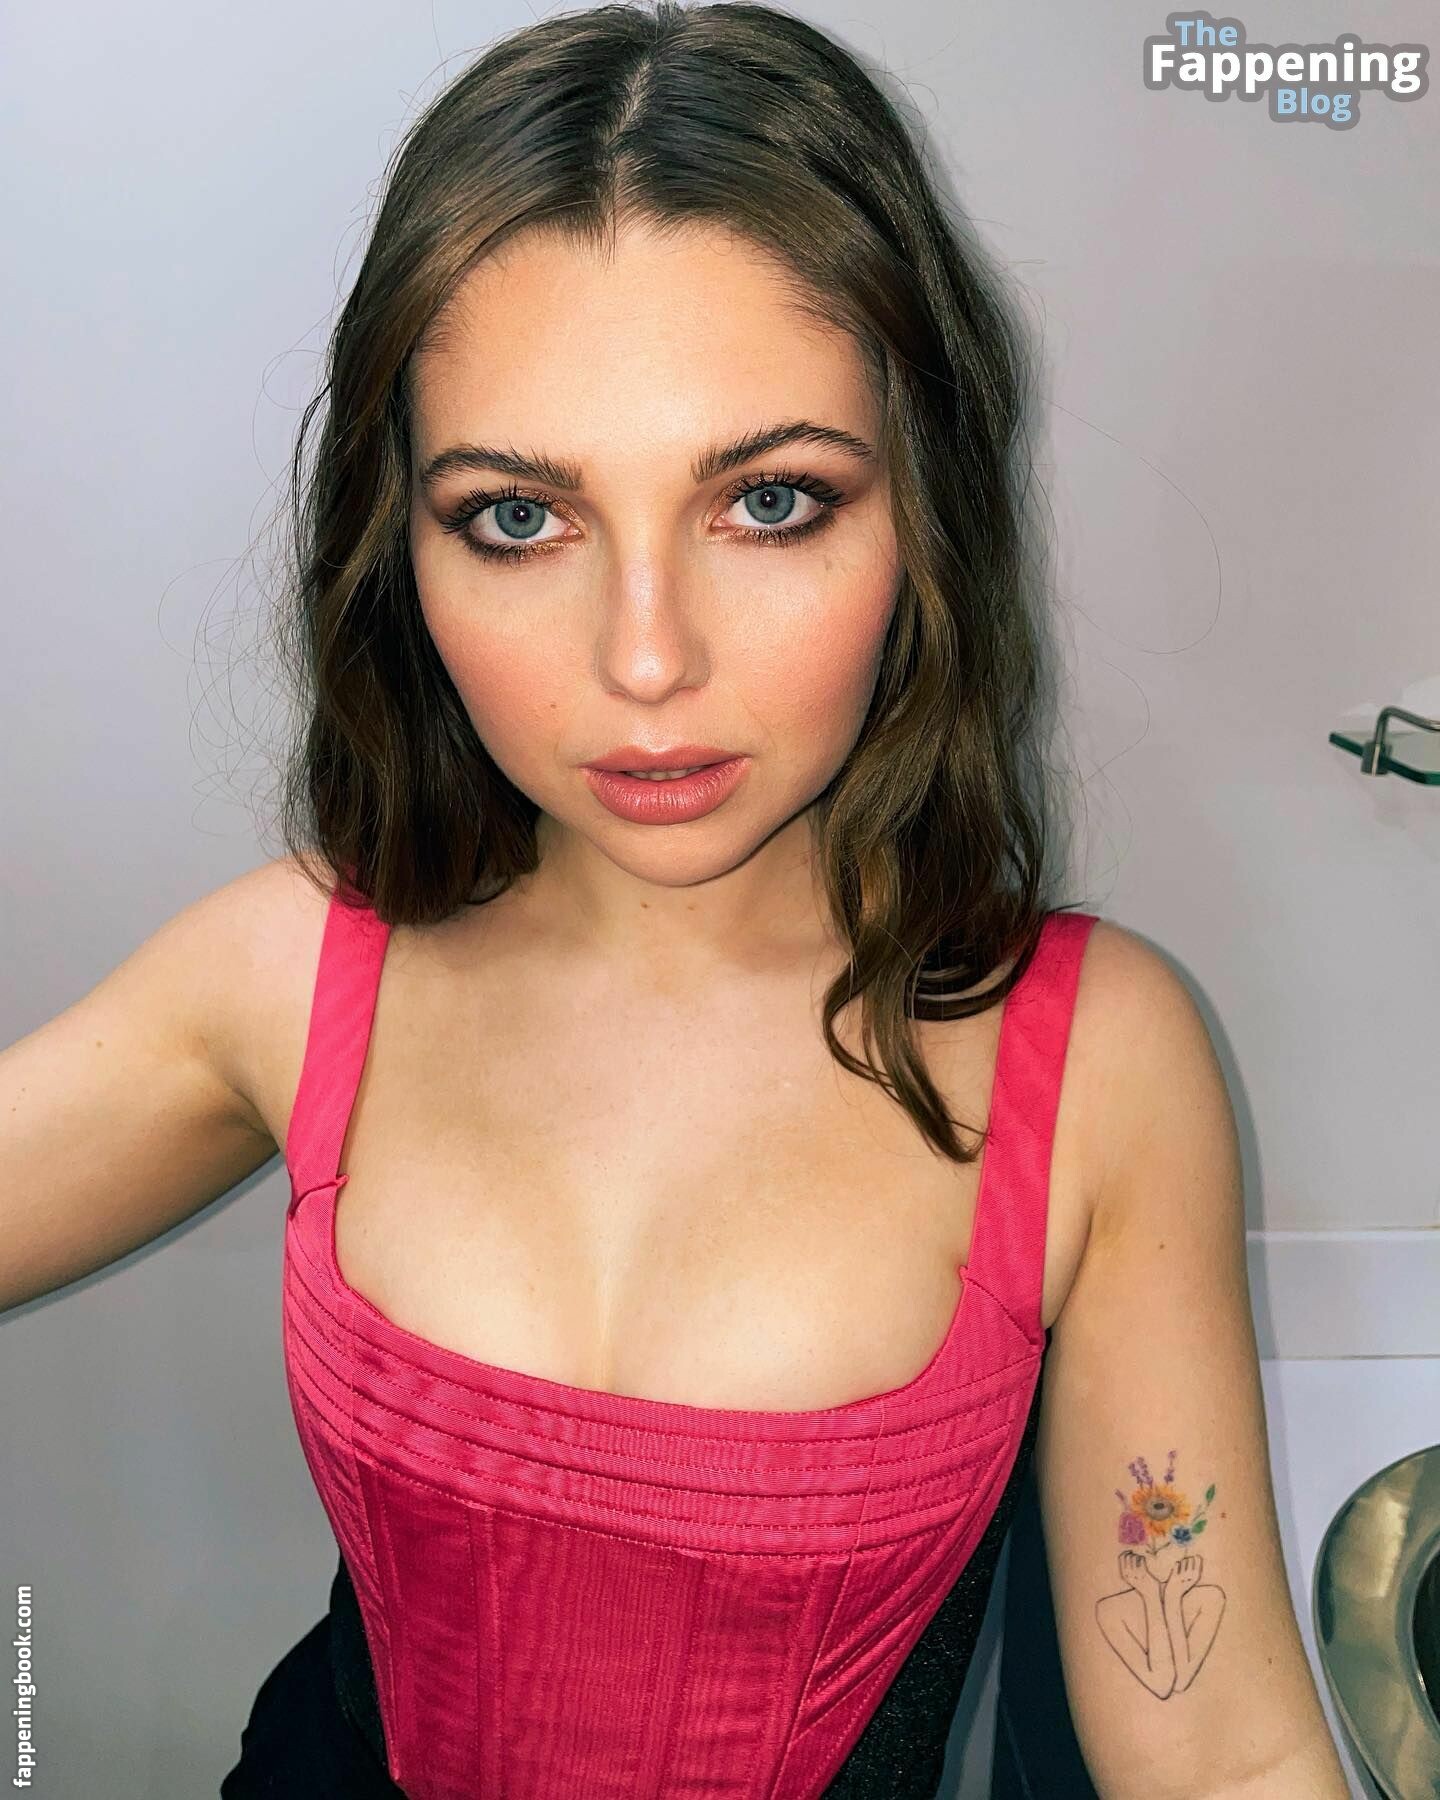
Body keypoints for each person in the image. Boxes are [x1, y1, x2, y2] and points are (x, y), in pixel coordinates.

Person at [0, 3, 1349, 1796]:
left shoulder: (1094, 1064)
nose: (646, 661)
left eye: (770, 501)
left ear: (923, 515)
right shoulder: (290, 968)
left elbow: (1223, 1755)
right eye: (518, 519)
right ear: (400, 545)